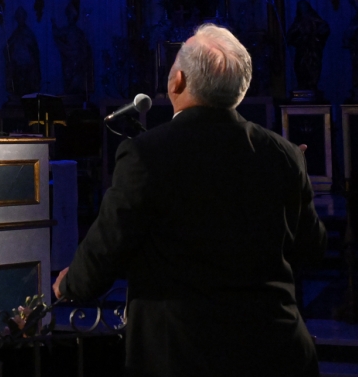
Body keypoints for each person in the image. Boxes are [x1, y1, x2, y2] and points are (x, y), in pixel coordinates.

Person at [54, 23, 326, 377]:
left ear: (177, 81)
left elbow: (109, 244)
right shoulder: (285, 154)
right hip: (277, 351)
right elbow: (312, 249)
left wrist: (71, 284)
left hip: (183, 353)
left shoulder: (146, 155)